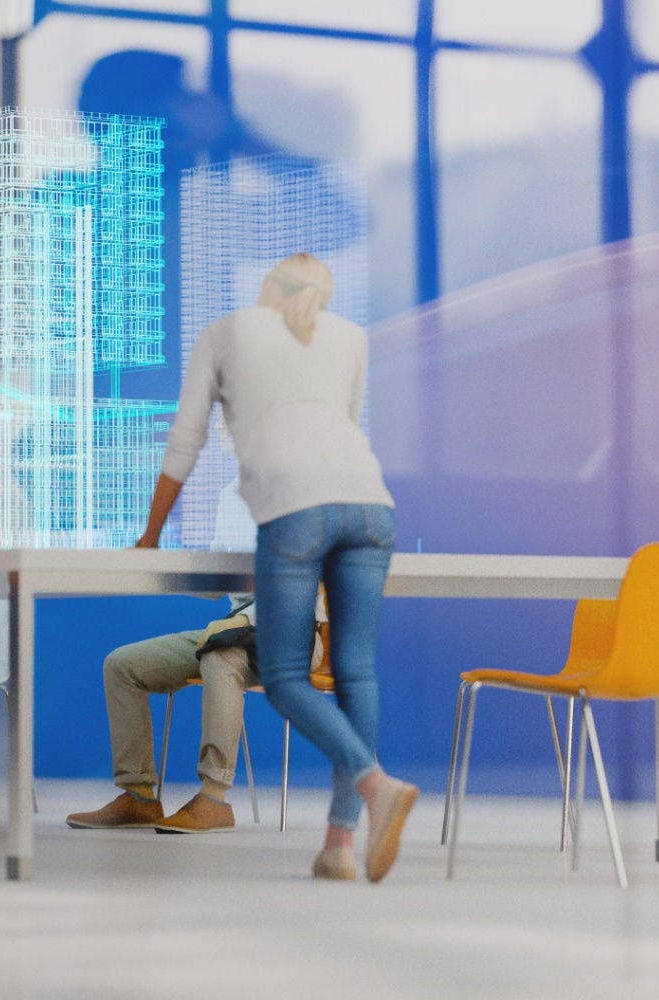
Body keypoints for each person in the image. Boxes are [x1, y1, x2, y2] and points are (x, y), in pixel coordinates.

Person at [135, 254, 418, 883]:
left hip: (295, 510)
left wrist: (151, 534)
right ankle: (340, 845)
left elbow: (185, 440)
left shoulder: (227, 331)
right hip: (373, 508)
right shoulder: (350, 337)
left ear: (269, 288)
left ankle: (374, 784)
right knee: (356, 674)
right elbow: (342, 427)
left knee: (287, 676)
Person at [64, 598, 262, 833]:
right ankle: (139, 796)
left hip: (291, 634)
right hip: (235, 631)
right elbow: (216, 579)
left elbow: (308, 590)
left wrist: (242, 620)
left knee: (221, 656)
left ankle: (214, 796)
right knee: (122, 665)